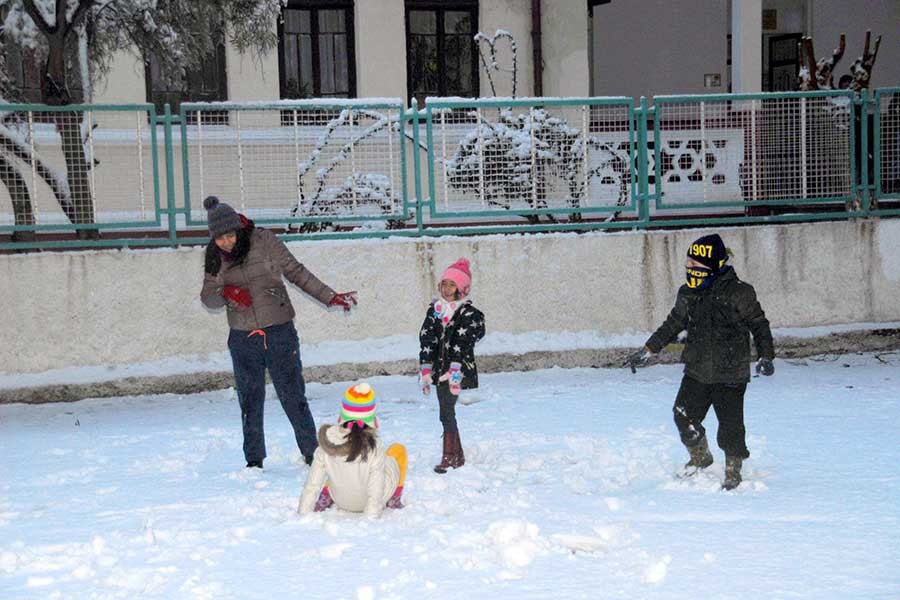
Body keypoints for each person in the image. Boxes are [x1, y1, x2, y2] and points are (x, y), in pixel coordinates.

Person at [200, 195, 358, 469]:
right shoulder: (214, 255)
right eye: (219, 239)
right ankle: (254, 460)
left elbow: (296, 271)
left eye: (229, 236)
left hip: (279, 331)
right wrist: (226, 292)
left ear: (238, 229)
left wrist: (329, 296)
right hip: (242, 336)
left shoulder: (264, 241)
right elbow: (208, 298)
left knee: (292, 393)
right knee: (249, 398)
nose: (225, 243)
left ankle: (311, 452)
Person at [625, 234, 774, 490]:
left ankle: (733, 467)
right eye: (688, 265)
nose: (690, 270)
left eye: (696, 267)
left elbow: (759, 325)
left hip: (731, 372)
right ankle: (700, 457)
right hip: (697, 369)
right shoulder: (688, 293)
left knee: (731, 426)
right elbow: (673, 323)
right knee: (683, 415)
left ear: (714, 266)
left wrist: (765, 356)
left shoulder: (739, 293)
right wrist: (649, 349)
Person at [298, 382, 407, 517]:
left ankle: (326, 496)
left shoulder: (328, 443)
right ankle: (394, 499)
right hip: (366, 501)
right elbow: (376, 486)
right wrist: (371, 516)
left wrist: (304, 510)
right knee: (396, 452)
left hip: (341, 500)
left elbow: (313, 483)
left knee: (334, 466)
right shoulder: (375, 447)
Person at [418, 258, 486, 473]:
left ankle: (449, 456)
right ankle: (457, 455)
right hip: (439, 369)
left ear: (462, 288)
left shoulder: (470, 314)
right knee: (444, 411)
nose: (446, 289)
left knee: (447, 410)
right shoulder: (436, 310)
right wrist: (426, 366)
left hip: (457, 370)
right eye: (444, 284)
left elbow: (465, 341)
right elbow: (427, 337)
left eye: (452, 285)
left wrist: (455, 366)